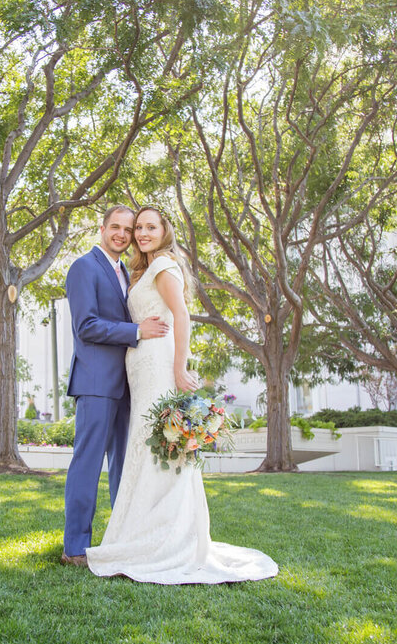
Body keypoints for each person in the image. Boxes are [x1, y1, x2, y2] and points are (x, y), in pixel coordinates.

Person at [86, 206, 278, 584]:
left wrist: (179, 368)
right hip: (140, 369)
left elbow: (182, 315)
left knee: (160, 449)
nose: (141, 233)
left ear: (165, 231)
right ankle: (137, 533)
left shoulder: (164, 266)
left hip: (159, 366)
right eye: (138, 227)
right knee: (144, 448)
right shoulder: (143, 269)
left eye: (150, 227)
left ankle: (168, 539)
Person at [62, 205, 170, 567]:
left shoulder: (127, 271)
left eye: (130, 229)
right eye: (117, 227)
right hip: (95, 383)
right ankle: (75, 547)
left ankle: (121, 539)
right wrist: (137, 331)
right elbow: (87, 326)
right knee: (87, 466)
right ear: (103, 228)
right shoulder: (84, 267)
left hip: (129, 384)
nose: (123, 234)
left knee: (125, 468)